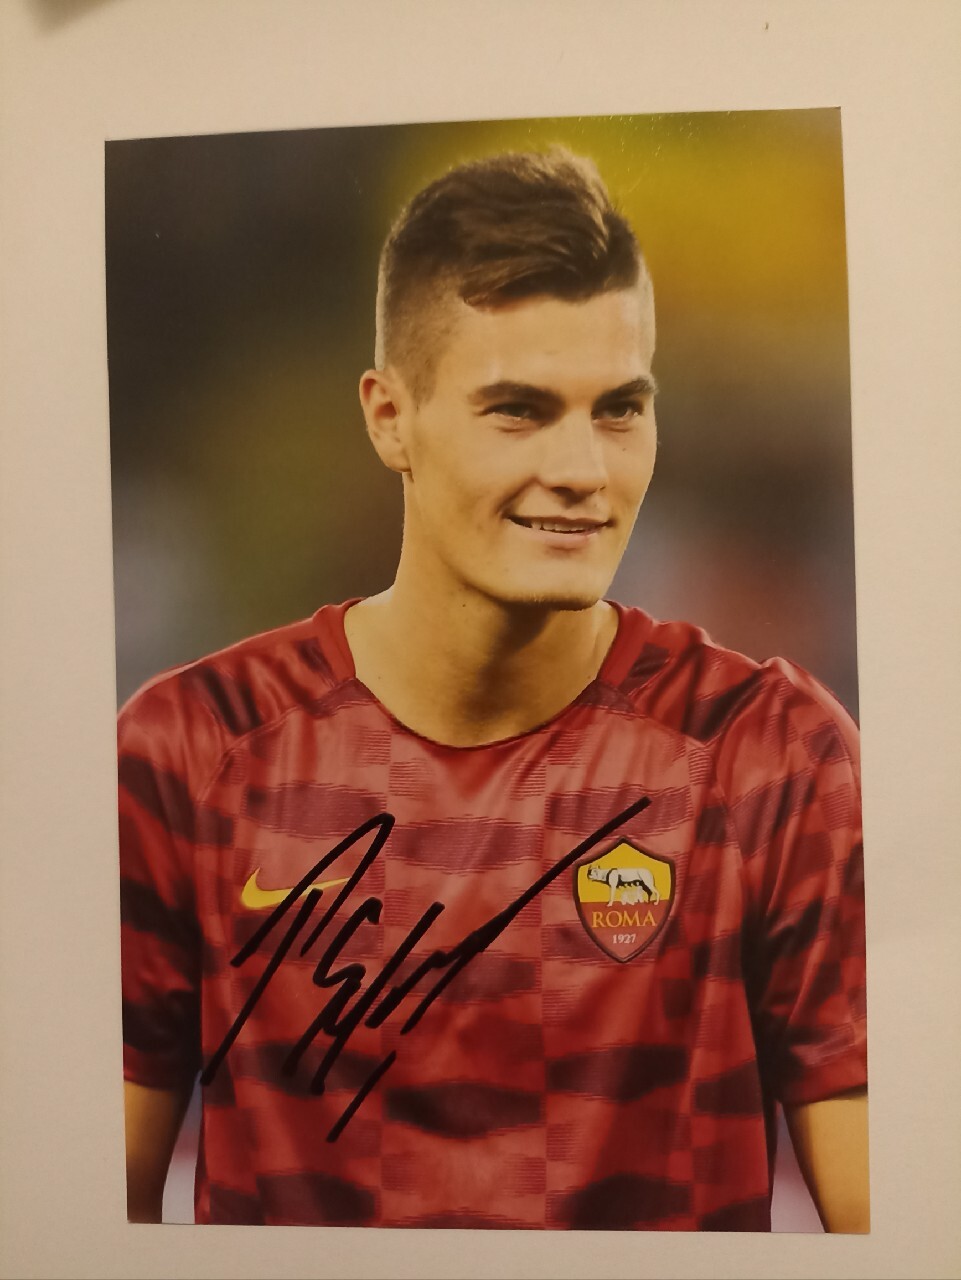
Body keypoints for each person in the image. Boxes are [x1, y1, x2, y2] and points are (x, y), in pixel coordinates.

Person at [119, 148, 868, 1231]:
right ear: (389, 418)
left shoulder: (770, 757)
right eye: (518, 409)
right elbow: (88, 1223)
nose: (583, 469)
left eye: (619, 409)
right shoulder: (190, 752)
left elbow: (892, 1229)